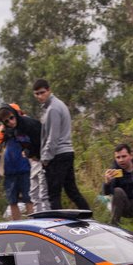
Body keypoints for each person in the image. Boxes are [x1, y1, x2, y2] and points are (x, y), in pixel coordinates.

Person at [33, 79, 90, 211]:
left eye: (42, 93)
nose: (39, 96)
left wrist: (46, 159)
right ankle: (89, 216)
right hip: (67, 152)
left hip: (58, 154)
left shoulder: (53, 108)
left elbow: (53, 137)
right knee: (71, 190)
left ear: (49, 90)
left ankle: (57, 225)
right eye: (36, 94)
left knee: (54, 194)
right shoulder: (58, 105)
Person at [0, 104, 36, 220]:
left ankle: (32, 224)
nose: (10, 122)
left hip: (24, 168)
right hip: (10, 171)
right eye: (6, 121)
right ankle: (17, 226)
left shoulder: (24, 126)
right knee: (12, 201)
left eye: (11, 118)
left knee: (29, 199)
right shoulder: (5, 132)